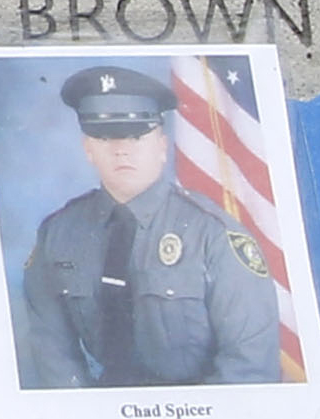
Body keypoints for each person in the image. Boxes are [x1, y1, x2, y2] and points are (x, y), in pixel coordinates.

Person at [15, 65, 282, 391]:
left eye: (136, 134)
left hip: (203, 417)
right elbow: (53, 352)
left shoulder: (213, 234)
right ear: (88, 148)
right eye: (105, 136)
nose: (121, 149)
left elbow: (250, 369)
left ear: (161, 146)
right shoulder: (58, 234)